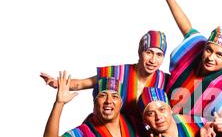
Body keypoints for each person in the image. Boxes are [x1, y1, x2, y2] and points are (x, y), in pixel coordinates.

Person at [160, 0, 222, 121]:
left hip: (191, 132)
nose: (211, 57)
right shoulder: (195, 48)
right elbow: (186, 27)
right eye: (209, 50)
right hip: (162, 113)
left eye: (219, 55)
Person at [40, 30, 168, 119]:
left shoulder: (164, 80)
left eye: (159, 55)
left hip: (143, 136)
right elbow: (83, 83)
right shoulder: (120, 72)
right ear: (140, 52)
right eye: (149, 52)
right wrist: (58, 84)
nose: (153, 60)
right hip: (112, 128)